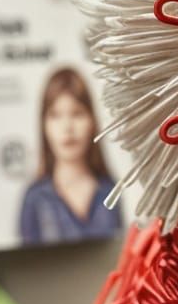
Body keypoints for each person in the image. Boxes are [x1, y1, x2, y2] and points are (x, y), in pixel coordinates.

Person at [18, 67, 123, 246]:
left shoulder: (109, 189)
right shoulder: (35, 198)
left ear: (92, 121)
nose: (67, 127)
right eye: (55, 115)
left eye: (77, 113)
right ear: (44, 125)